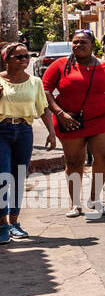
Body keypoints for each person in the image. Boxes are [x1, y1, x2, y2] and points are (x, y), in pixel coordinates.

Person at [42, 29, 105, 219]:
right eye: (75, 42)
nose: (79, 45)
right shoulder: (60, 65)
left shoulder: (104, 67)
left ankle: (95, 198)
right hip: (69, 120)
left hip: (100, 118)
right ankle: (75, 203)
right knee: (75, 161)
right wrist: (60, 113)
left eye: (83, 42)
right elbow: (45, 90)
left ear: (93, 45)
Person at [0, 42, 58, 244]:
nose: (24, 60)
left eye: (26, 56)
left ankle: (14, 222)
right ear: (6, 59)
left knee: (18, 177)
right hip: (1, 131)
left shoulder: (35, 82)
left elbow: (42, 108)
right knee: (3, 178)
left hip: (24, 131)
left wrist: (52, 133)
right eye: (19, 57)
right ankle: (2, 224)